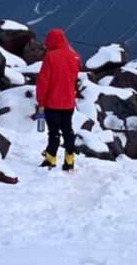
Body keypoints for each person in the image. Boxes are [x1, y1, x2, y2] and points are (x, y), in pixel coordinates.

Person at [35, 28, 81, 171]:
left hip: (52, 102)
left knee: (54, 132)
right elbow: (73, 79)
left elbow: (43, 82)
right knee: (68, 130)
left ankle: (51, 159)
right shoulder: (75, 57)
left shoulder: (51, 57)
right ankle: (69, 160)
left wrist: (40, 102)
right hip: (68, 102)